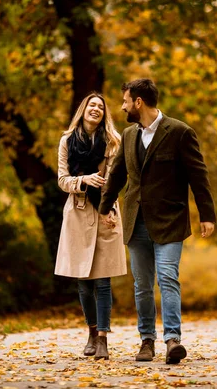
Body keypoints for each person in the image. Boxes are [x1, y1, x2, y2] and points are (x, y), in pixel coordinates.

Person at [98, 78, 216, 364]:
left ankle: (172, 340)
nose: (123, 106)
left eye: (126, 101)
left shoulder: (179, 132)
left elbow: (197, 176)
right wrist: (104, 209)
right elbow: (117, 175)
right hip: (136, 219)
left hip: (170, 221)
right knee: (142, 284)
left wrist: (207, 215)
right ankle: (147, 341)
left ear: (139, 102)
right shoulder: (128, 135)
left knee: (167, 278)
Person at [55, 93, 127, 360]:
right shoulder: (67, 141)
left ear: (104, 114)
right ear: (82, 110)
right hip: (78, 210)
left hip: (105, 211)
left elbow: (117, 178)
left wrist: (108, 206)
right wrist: (83, 180)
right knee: (83, 281)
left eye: (100, 106)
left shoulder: (112, 142)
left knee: (103, 280)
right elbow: (62, 180)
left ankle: (104, 339)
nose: (95, 109)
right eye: (91, 105)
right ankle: (92, 332)